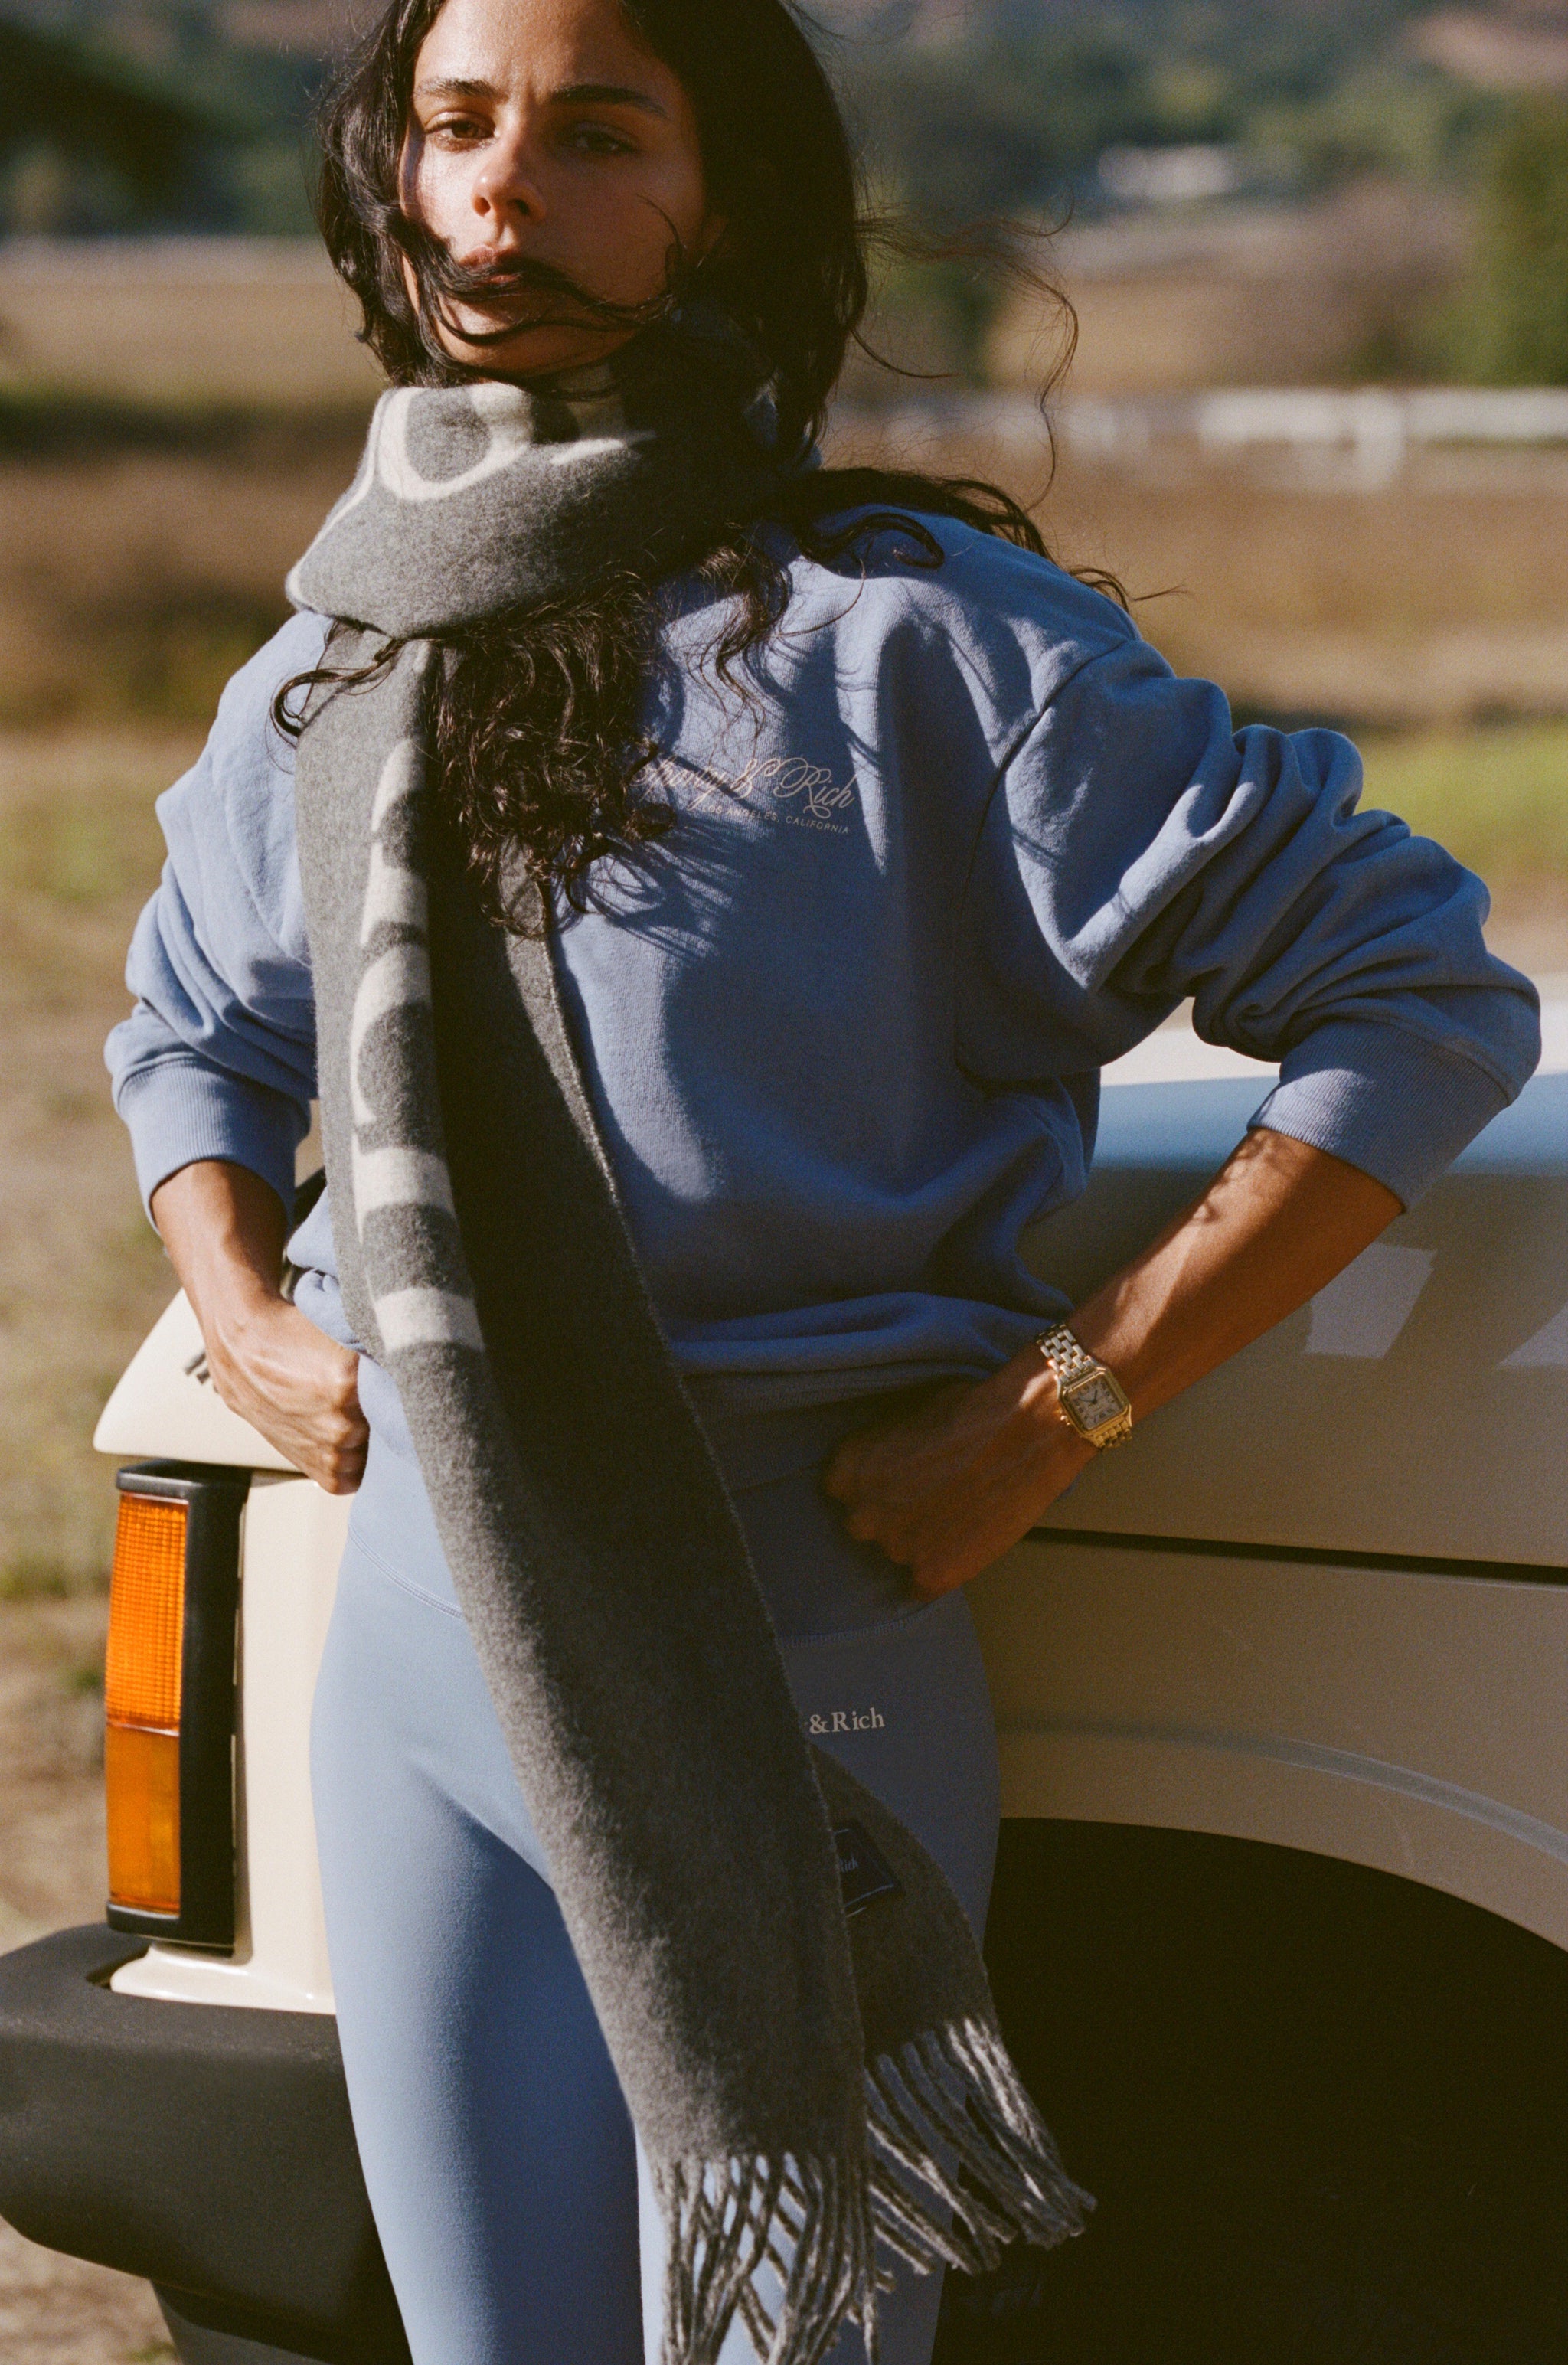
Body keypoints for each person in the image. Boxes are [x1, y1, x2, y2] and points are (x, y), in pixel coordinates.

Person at [106, 2, 1540, 2360]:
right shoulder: (336, 660)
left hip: (803, 1656)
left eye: (598, 133)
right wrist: (245, 1305)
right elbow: (195, 1027)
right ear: (395, 182)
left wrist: (1061, 1405)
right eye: (457, 127)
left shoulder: (924, 649)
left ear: (727, 203)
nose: (505, 188)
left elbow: (1420, 996)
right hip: (418, 1667)